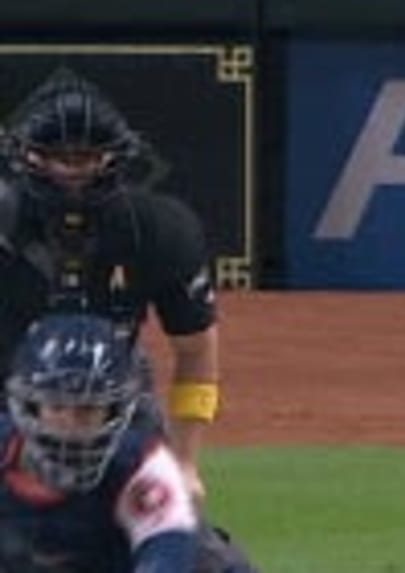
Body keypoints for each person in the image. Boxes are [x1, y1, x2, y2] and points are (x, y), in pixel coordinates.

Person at [0, 67, 218, 503]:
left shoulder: (159, 230)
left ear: (114, 158)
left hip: (111, 400)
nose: (73, 173)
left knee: (176, 533)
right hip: (4, 389)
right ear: (29, 158)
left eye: (86, 158)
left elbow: (196, 349)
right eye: (60, 157)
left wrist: (185, 462)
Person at [0, 313, 199, 572]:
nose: (70, 426)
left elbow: (167, 555)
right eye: (57, 406)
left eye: (88, 410)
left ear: (115, 411)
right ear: (30, 407)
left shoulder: (142, 470)